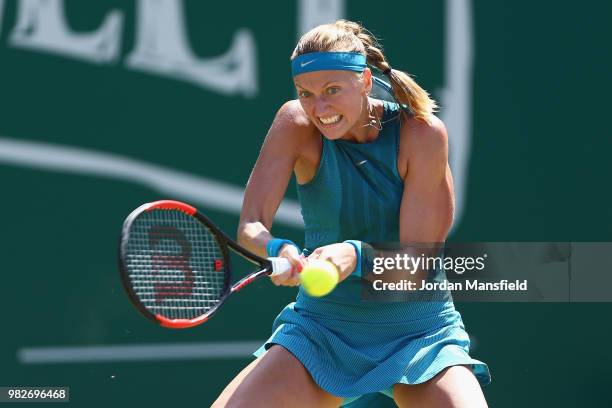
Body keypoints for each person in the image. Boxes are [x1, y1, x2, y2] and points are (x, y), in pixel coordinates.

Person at [213, 20, 490, 407]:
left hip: (417, 332)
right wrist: (278, 248)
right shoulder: (294, 122)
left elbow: (419, 264)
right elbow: (251, 225)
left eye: (332, 91)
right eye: (306, 93)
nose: (319, 108)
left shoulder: (422, 134)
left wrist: (354, 255)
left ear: (364, 81)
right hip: (322, 329)